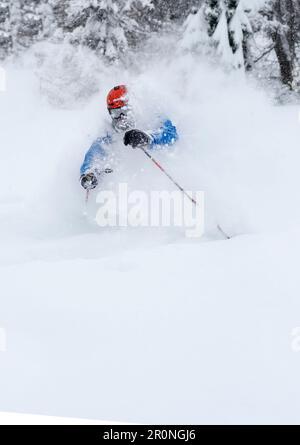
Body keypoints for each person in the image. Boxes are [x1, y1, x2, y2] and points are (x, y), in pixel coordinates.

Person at [80, 85, 178, 190]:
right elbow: (97, 150)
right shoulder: (111, 131)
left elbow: (171, 135)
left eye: (124, 111)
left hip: (160, 183)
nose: (121, 117)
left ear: (132, 107)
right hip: (130, 189)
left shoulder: (150, 115)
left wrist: (147, 138)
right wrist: (89, 172)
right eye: (115, 113)